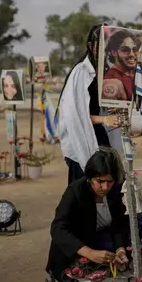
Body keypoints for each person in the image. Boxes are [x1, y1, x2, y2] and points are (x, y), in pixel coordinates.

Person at [46, 148, 130, 282]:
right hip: (77, 248)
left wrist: (120, 250)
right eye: (100, 181)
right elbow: (58, 228)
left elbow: (119, 224)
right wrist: (89, 253)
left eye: (109, 181)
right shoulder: (76, 191)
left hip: (100, 239)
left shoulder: (116, 190)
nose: (105, 187)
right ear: (90, 178)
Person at [57, 24, 123, 184]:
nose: (104, 50)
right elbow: (75, 116)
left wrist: (112, 110)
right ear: (91, 46)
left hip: (99, 135)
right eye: (100, 46)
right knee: (87, 184)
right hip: (82, 134)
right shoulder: (81, 73)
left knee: (107, 182)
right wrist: (104, 120)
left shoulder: (105, 70)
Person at [103, 29, 142, 102]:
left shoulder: (134, 74)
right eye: (125, 50)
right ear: (114, 52)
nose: (132, 54)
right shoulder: (112, 79)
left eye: (135, 50)